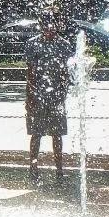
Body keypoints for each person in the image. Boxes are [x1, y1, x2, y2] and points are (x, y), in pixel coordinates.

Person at [25, 11, 73, 181]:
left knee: (57, 134)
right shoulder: (33, 44)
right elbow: (30, 73)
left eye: (52, 26)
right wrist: (29, 97)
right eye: (46, 26)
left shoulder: (64, 45)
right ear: (42, 26)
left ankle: (59, 168)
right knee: (36, 133)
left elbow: (65, 74)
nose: (50, 30)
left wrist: (63, 94)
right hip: (38, 96)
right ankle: (33, 166)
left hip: (56, 98)